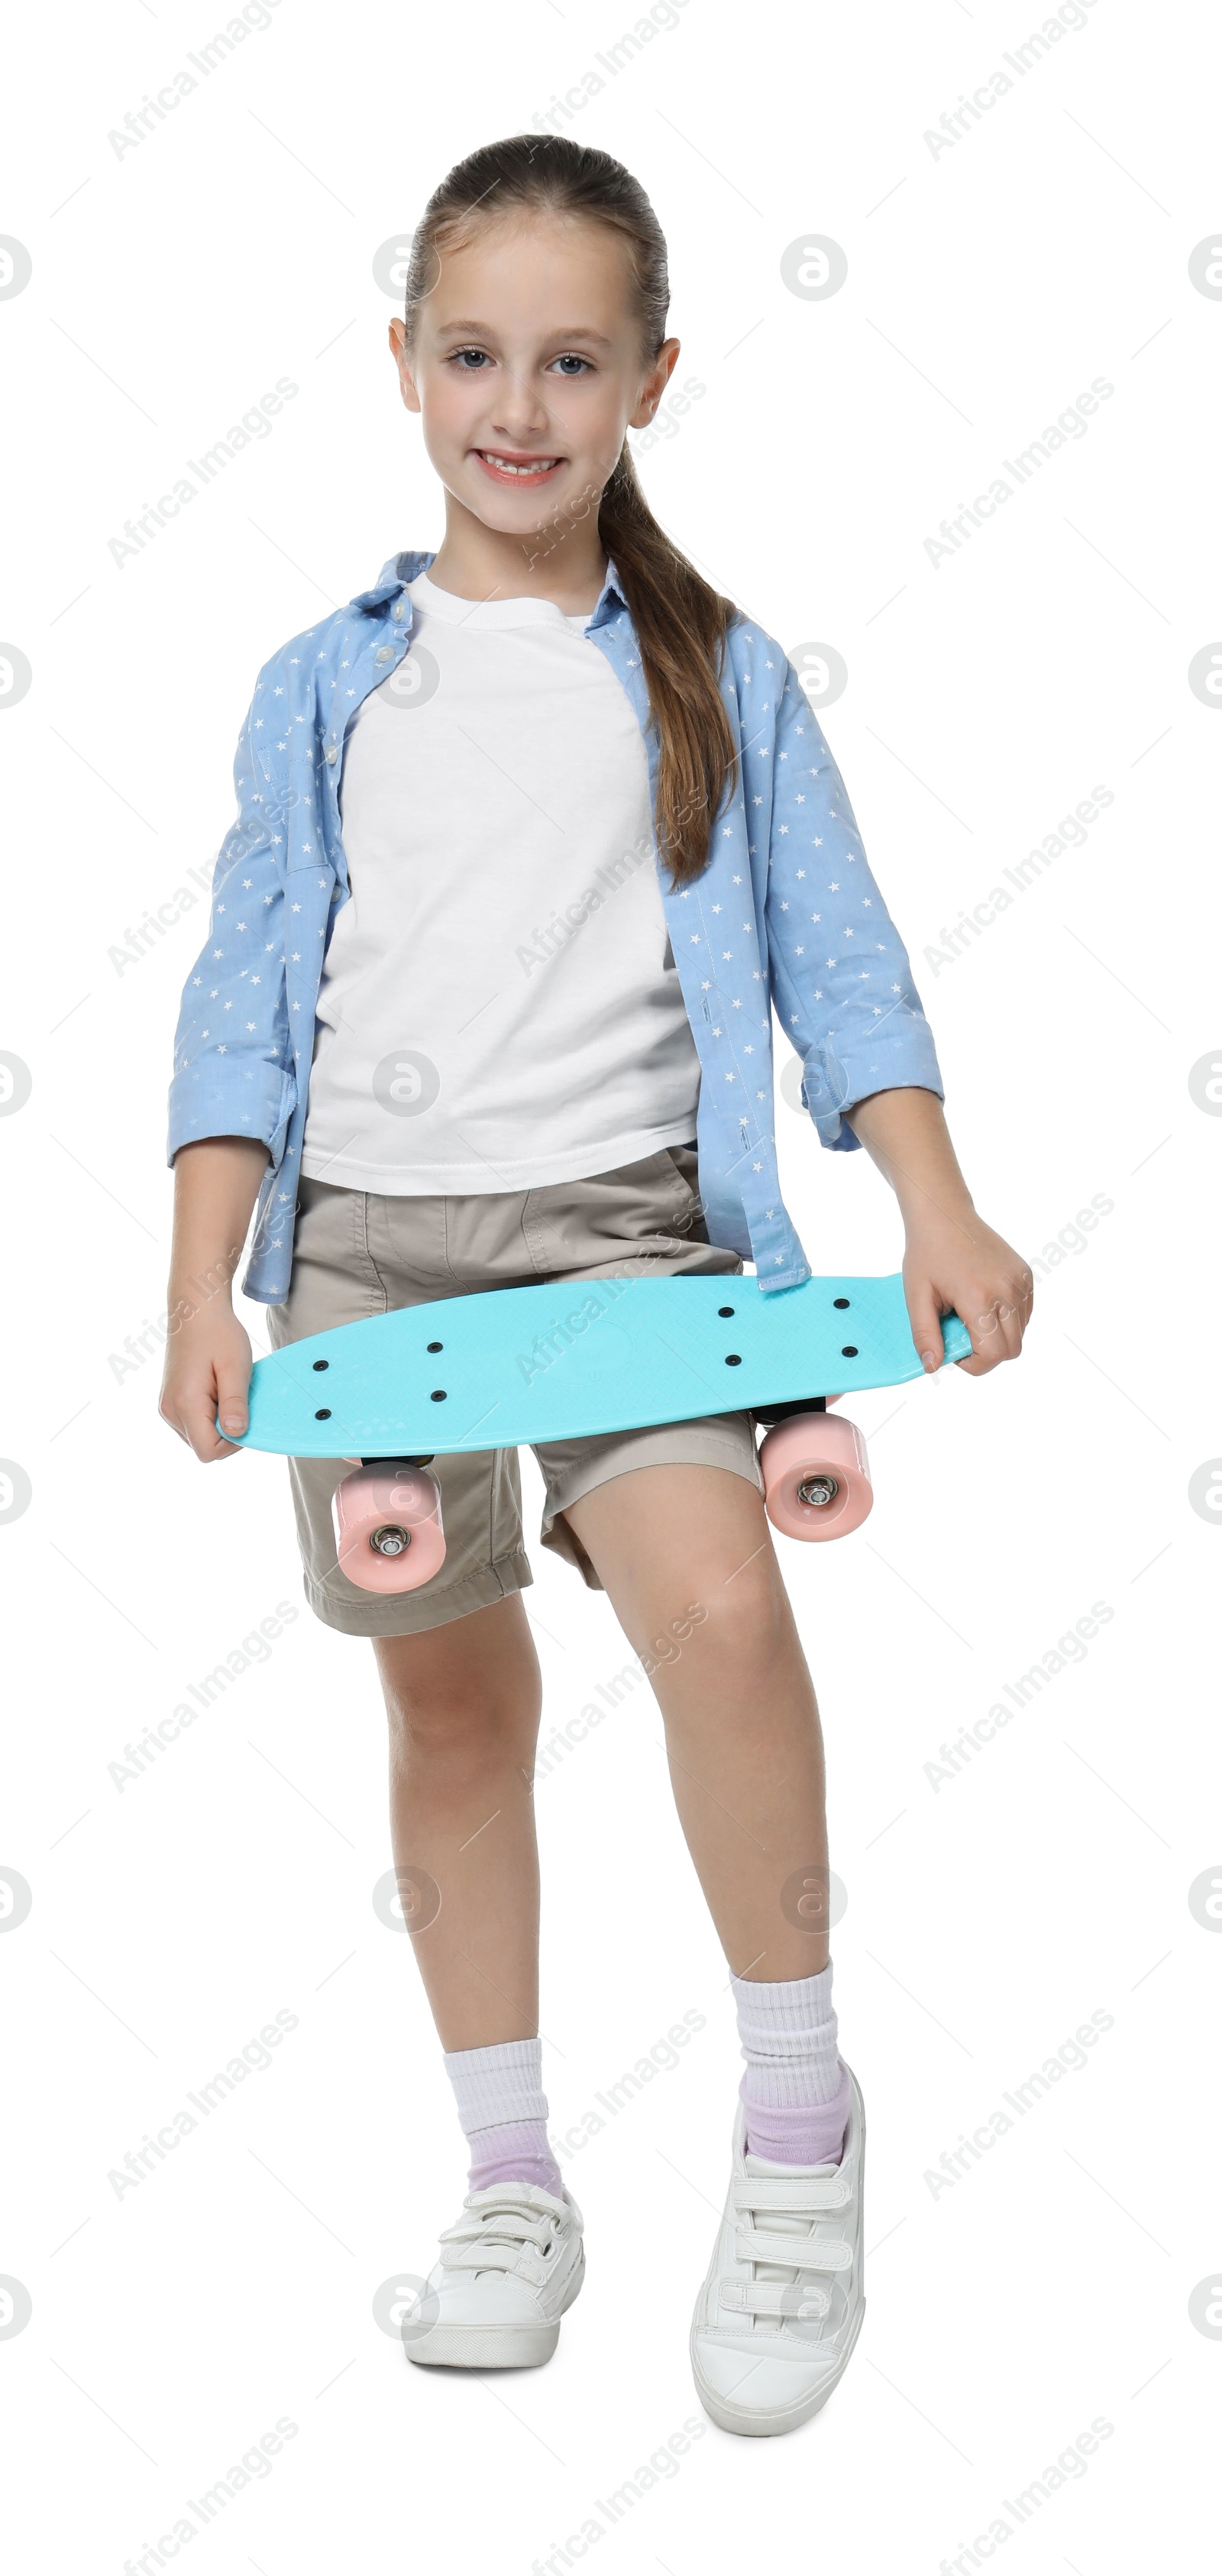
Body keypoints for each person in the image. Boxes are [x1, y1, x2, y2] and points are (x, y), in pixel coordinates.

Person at [159, 133, 1031, 2438]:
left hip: (643, 1236)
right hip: (366, 1264)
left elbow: (841, 970)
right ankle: (516, 2176)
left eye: (571, 359)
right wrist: (200, 1276)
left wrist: (930, 1201)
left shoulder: (715, 671)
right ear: (403, 366)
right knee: (450, 1711)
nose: (517, 407)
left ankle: (797, 2125)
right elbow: (243, 1000)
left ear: (654, 376)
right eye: (473, 354)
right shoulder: (324, 687)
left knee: (723, 1614)